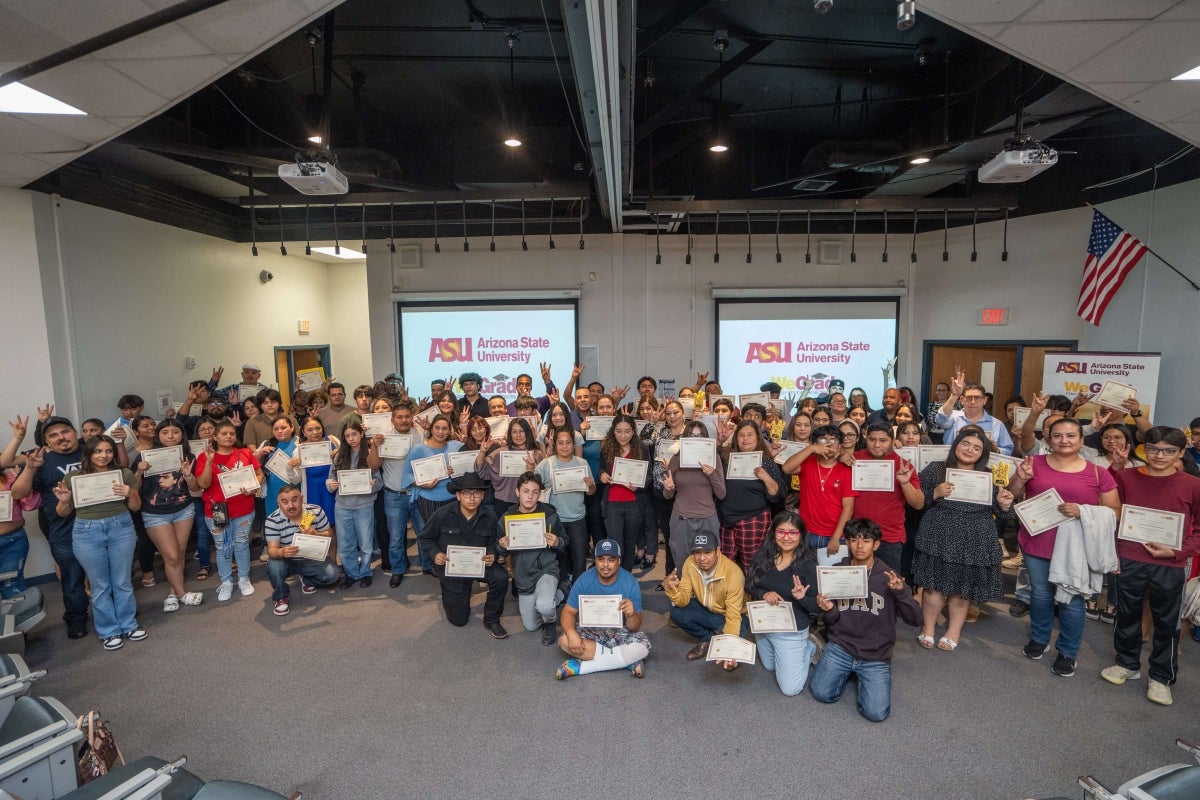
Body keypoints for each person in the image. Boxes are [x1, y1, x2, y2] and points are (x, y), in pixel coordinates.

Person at [1005, 417, 1120, 678]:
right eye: (1057, 435)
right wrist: (1020, 480)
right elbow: (1012, 494)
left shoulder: (1097, 473)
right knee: (1041, 595)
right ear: (1049, 439)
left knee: (1071, 601)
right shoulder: (1034, 463)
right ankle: (1039, 639)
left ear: (1081, 440)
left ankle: (1068, 652)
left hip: (1075, 551)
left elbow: (1116, 512)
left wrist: (1082, 511)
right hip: (1037, 543)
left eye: (1070, 436)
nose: (1064, 440)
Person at [1101, 426, 1200, 706]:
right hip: (1130, 557)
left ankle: (1161, 677)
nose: (1159, 455)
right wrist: (1114, 553)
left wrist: (1178, 550)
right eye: (1153, 449)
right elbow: (1108, 505)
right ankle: (1127, 664)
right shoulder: (1127, 476)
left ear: (1181, 453)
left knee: (1167, 622)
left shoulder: (1193, 485)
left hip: (1170, 562)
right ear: (1144, 449)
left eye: (1169, 451)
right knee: (1126, 614)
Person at [912, 426, 1014, 651]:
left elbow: (1003, 510)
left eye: (977, 447)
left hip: (974, 538)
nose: (970, 450)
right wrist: (935, 493)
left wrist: (1005, 504)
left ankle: (953, 631)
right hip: (939, 535)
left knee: (962, 588)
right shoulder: (935, 469)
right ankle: (928, 628)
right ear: (956, 444)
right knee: (933, 587)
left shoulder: (989, 475)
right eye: (965, 443)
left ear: (983, 453)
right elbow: (917, 502)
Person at [810, 519, 921, 722]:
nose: (860, 546)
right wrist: (829, 609)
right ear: (848, 543)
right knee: (821, 694)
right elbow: (832, 619)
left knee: (876, 713)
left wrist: (901, 594)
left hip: (875, 654)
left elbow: (915, 620)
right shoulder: (837, 571)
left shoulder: (890, 577)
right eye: (854, 540)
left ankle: (858, 675)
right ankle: (841, 666)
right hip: (842, 646)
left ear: (876, 544)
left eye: (866, 541)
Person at [55, 435, 146, 651]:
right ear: (88, 453)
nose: (103, 455)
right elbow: (62, 513)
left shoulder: (123, 474)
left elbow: (135, 507)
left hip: (121, 527)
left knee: (122, 580)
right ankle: (108, 631)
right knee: (100, 584)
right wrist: (64, 501)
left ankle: (129, 624)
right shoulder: (73, 478)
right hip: (87, 531)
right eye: (97, 451)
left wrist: (131, 493)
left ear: (113, 453)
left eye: (108, 451)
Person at [9, 415, 90, 638]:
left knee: (105, 574)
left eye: (65, 431)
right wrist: (31, 469)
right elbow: (17, 493)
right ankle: (76, 619)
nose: (61, 437)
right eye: (53, 435)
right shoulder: (41, 461)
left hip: (98, 523)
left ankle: (113, 612)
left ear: (74, 432)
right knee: (72, 579)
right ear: (47, 442)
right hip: (64, 531)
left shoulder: (91, 451)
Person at [418, 473, 510, 637]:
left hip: (479, 564)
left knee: (501, 577)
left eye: (477, 493)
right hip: (452, 568)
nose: (472, 498)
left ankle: (492, 619)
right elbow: (425, 538)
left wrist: (492, 554)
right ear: (458, 495)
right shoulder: (443, 514)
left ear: (482, 496)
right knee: (459, 620)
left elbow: (494, 543)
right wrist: (435, 553)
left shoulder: (489, 516)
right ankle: (458, 593)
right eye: (467, 493)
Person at [746, 511, 821, 695]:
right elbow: (749, 585)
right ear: (773, 534)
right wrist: (764, 593)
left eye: (792, 533)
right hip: (764, 627)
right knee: (770, 667)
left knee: (790, 689)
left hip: (791, 632)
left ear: (801, 535)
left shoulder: (809, 564)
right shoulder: (764, 555)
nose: (786, 538)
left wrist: (801, 597)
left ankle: (809, 647)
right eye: (781, 532)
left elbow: (818, 609)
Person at [135, 419, 204, 612]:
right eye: (165, 432)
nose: (171, 436)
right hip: (155, 514)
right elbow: (133, 489)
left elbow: (195, 488)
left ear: (182, 435)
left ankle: (173, 593)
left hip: (183, 510)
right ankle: (183, 594)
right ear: (158, 435)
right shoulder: (145, 456)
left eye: (175, 432)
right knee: (171, 555)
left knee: (180, 554)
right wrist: (139, 472)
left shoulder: (188, 456)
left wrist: (188, 475)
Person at [555, 539, 650, 679]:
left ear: (619, 561)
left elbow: (634, 628)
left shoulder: (630, 582)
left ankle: (581, 667)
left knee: (643, 646)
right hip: (591, 630)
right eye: (601, 559)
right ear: (595, 560)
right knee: (565, 640)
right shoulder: (584, 579)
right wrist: (571, 633)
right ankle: (626, 661)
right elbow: (568, 611)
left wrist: (631, 615)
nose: (605, 565)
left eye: (611, 560)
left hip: (620, 631)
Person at [194, 420, 263, 602]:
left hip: (244, 509)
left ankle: (243, 578)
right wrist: (209, 463)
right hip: (217, 511)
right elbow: (203, 484)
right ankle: (225, 582)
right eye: (223, 434)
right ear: (215, 437)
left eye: (231, 433)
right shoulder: (204, 457)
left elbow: (259, 473)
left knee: (240, 544)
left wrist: (253, 486)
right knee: (223, 546)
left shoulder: (245, 453)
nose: (228, 437)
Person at [497, 472, 566, 644]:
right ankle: (557, 595)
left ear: (539, 494)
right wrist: (502, 546)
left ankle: (550, 620)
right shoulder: (507, 518)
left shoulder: (549, 515)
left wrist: (557, 541)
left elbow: (566, 542)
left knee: (544, 606)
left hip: (546, 568)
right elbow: (498, 549)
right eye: (526, 491)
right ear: (517, 492)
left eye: (535, 492)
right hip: (523, 574)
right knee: (530, 626)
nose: (530, 496)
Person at [662, 532, 748, 668]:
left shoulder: (734, 573)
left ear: (718, 551)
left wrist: (728, 648)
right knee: (676, 613)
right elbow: (683, 599)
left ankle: (722, 639)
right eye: (697, 552)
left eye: (707, 552)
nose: (702, 558)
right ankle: (708, 638)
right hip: (707, 609)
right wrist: (671, 589)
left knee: (737, 648)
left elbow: (733, 614)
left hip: (732, 615)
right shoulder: (690, 563)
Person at [848, 423, 924, 571]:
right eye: (872, 439)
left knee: (889, 587)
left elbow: (919, 503)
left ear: (892, 440)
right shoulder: (854, 459)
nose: (876, 445)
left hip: (889, 538)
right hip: (857, 537)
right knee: (857, 585)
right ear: (866, 439)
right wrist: (841, 457)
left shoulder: (903, 465)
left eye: (883, 440)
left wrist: (905, 483)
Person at [368, 399, 427, 587]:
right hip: (394, 495)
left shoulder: (421, 433)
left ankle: (428, 566)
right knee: (395, 537)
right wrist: (375, 446)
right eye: (399, 417)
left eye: (407, 417)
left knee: (424, 532)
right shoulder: (383, 437)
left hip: (418, 493)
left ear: (412, 418)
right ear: (392, 420)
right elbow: (373, 465)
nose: (404, 420)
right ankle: (398, 570)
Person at [717, 420, 785, 572]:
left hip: (753, 519)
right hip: (726, 519)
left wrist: (765, 477)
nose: (745, 439)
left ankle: (754, 595)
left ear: (757, 438)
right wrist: (719, 442)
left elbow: (778, 494)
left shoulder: (765, 461)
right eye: (741, 435)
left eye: (749, 435)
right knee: (724, 565)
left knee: (751, 565)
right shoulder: (727, 458)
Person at [264, 484, 341, 616]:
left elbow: (329, 534)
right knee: (273, 564)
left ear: (302, 498)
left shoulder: (315, 511)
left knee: (333, 575)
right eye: (285, 502)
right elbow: (272, 551)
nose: (290, 505)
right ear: (278, 504)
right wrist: (281, 552)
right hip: (285, 560)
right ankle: (281, 596)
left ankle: (307, 579)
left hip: (309, 557)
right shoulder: (272, 520)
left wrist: (316, 535)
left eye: (294, 499)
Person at [662, 420, 727, 575]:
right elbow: (668, 495)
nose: (695, 438)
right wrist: (669, 488)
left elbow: (721, 494)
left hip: (707, 519)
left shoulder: (714, 458)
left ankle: (707, 598)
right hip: (681, 519)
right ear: (685, 438)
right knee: (682, 562)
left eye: (700, 435)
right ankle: (684, 597)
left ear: (706, 439)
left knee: (709, 564)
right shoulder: (676, 459)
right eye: (691, 435)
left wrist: (711, 474)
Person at [782, 425, 857, 553]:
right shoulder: (808, 462)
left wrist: (836, 538)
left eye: (833, 440)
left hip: (834, 535)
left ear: (839, 446)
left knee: (831, 573)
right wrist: (810, 449)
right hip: (807, 532)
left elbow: (848, 508)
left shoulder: (846, 470)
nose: (828, 444)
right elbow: (786, 468)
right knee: (806, 571)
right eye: (822, 441)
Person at [535, 426, 596, 580]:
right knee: (559, 559)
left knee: (579, 559)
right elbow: (533, 487)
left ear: (573, 444)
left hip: (577, 519)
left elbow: (591, 492)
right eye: (560, 443)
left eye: (568, 442)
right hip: (555, 520)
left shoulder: (582, 463)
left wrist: (590, 485)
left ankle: (578, 591)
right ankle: (561, 590)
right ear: (554, 444)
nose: (564, 446)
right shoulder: (546, 464)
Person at [328, 421, 382, 589]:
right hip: (342, 506)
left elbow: (379, 481)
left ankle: (365, 572)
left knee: (365, 543)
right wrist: (330, 485)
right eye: (348, 436)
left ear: (361, 434)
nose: (351, 439)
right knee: (345, 544)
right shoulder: (339, 456)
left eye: (354, 434)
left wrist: (373, 484)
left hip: (364, 505)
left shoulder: (369, 455)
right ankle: (351, 574)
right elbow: (330, 478)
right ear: (344, 438)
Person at [597, 414, 650, 571]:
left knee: (629, 543)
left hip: (634, 504)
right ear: (613, 431)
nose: (623, 435)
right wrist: (601, 475)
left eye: (627, 431)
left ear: (633, 432)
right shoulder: (607, 448)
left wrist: (638, 486)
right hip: (612, 504)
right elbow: (600, 469)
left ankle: (626, 577)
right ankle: (614, 578)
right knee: (615, 544)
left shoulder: (642, 449)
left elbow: (649, 476)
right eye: (619, 431)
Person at [0, 417, 40, 598]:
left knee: (13, 585)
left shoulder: (9, 478)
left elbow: (30, 505)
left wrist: (22, 480)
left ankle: (16, 625)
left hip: (12, 540)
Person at [934, 372, 1014, 455]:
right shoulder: (953, 417)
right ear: (961, 400)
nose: (972, 402)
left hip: (985, 466)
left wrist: (996, 450)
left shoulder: (997, 425)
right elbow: (940, 420)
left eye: (977, 398)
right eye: (968, 398)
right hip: (954, 465)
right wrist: (954, 395)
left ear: (984, 400)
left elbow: (1008, 450)